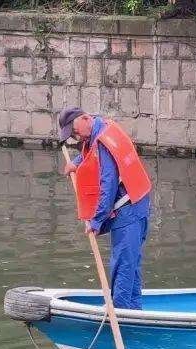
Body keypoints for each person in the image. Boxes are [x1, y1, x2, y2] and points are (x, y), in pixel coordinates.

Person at [57, 107, 152, 310]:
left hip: (130, 208)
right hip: (136, 202)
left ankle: (121, 315)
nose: (75, 137)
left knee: (124, 265)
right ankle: (134, 310)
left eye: (74, 131)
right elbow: (92, 153)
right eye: (72, 135)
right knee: (131, 264)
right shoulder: (102, 129)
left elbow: (108, 186)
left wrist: (96, 221)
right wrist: (76, 162)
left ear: (84, 119)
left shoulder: (103, 140)